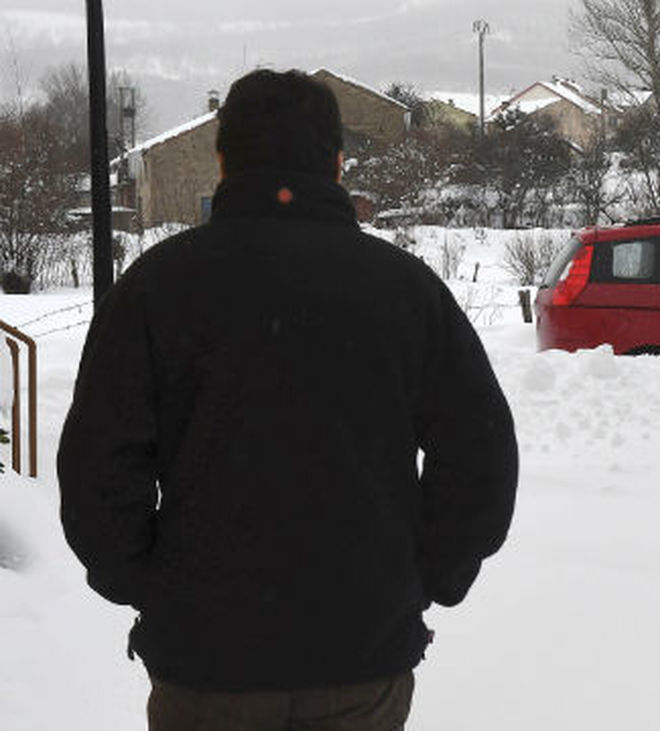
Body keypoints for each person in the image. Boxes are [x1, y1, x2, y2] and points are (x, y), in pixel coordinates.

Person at [58, 69, 518, 730]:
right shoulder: (404, 292)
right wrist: (428, 576)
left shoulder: (158, 289)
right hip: (361, 660)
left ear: (222, 159)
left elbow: (98, 466)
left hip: (205, 669)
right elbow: (481, 454)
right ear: (337, 163)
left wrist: (145, 582)